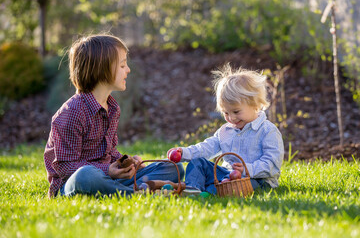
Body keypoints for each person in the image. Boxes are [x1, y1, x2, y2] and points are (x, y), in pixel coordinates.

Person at [44, 34, 184, 198]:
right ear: (101, 69)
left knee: (173, 168)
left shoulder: (112, 108)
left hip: (108, 178)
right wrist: (107, 170)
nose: (128, 70)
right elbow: (65, 167)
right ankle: (136, 193)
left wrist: (128, 164)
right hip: (71, 184)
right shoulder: (71, 112)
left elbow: (108, 153)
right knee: (87, 175)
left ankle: (128, 188)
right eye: (123, 65)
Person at [168, 64, 284, 195]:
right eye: (226, 113)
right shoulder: (226, 131)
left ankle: (211, 190)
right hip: (227, 175)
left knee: (234, 187)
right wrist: (184, 153)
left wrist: (247, 169)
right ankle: (192, 189)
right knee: (198, 163)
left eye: (236, 111)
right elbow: (206, 148)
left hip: (257, 179)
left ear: (255, 104)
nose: (232, 118)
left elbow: (272, 163)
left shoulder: (267, 131)